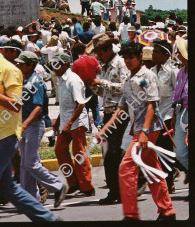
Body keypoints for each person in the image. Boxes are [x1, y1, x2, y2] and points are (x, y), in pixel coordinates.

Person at [0, 29, 59, 222]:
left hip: (5, 135)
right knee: (9, 187)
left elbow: (16, 105)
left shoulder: (10, 70)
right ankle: (48, 219)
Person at [99, 40, 176, 221]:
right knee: (152, 170)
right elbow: (122, 108)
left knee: (126, 169)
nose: (127, 61)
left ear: (140, 57)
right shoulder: (129, 78)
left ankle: (131, 214)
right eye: (125, 58)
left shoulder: (145, 76)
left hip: (148, 130)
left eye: (131, 58)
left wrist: (144, 131)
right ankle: (167, 211)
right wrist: (104, 129)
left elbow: (151, 105)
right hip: (138, 130)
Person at [14, 51, 67, 206]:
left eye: (22, 63)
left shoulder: (36, 82)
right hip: (24, 125)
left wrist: (24, 124)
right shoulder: (24, 80)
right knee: (25, 163)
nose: (19, 65)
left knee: (30, 162)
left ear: (30, 64)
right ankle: (31, 199)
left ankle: (57, 185)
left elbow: (38, 108)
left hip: (34, 125)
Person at [86, 33, 129, 204]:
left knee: (113, 154)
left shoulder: (120, 64)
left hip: (121, 113)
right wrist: (95, 87)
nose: (98, 56)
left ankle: (119, 190)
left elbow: (125, 88)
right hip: (109, 112)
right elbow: (106, 93)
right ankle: (115, 190)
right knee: (109, 154)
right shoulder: (105, 67)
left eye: (100, 53)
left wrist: (101, 83)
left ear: (108, 49)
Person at [50, 52, 95, 196]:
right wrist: (58, 121)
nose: (54, 68)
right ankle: (74, 183)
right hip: (65, 121)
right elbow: (64, 104)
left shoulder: (73, 80)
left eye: (56, 64)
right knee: (60, 150)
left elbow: (80, 104)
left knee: (79, 154)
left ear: (64, 64)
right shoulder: (60, 80)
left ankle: (87, 187)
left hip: (76, 123)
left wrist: (69, 123)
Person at [151, 39, 178, 193]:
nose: (153, 54)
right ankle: (170, 176)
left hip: (168, 116)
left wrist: (174, 116)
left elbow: (177, 95)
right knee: (159, 152)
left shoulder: (173, 72)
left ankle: (169, 183)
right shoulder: (152, 71)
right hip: (155, 118)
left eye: (156, 52)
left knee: (165, 151)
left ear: (165, 55)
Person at [72, 43, 102, 132]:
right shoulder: (92, 59)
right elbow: (99, 69)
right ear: (85, 50)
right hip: (92, 84)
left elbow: (73, 75)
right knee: (95, 105)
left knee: (85, 107)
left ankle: (88, 127)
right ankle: (98, 123)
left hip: (81, 87)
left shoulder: (76, 63)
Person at [171, 36, 188, 177]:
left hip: (191, 112)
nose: (178, 55)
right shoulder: (181, 72)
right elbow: (176, 94)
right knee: (179, 151)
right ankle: (193, 172)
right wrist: (174, 115)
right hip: (180, 111)